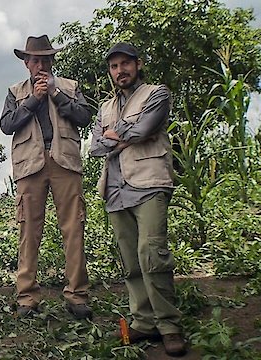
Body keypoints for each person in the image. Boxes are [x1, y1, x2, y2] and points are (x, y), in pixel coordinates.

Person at [89, 42, 187, 356]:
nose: (121, 71)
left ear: (138, 64)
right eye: (114, 66)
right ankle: (144, 322)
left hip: (149, 182)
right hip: (115, 189)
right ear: (110, 72)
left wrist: (117, 134)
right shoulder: (104, 107)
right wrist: (121, 133)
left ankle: (169, 326)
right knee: (130, 260)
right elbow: (95, 147)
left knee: (152, 253)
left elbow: (146, 128)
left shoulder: (157, 94)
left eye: (126, 64)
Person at [0, 35, 92, 319]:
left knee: (73, 229)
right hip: (30, 166)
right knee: (28, 232)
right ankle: (27, 297)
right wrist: (33, 100)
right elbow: (6, 125)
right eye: (34, 60)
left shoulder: (69, 87)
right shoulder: (15, 92)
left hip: (65, 162)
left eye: (45, 59)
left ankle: (77, 296)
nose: (40, 65)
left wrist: (54, 94)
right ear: (26, 63)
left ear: (52, 61)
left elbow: (84, 116)